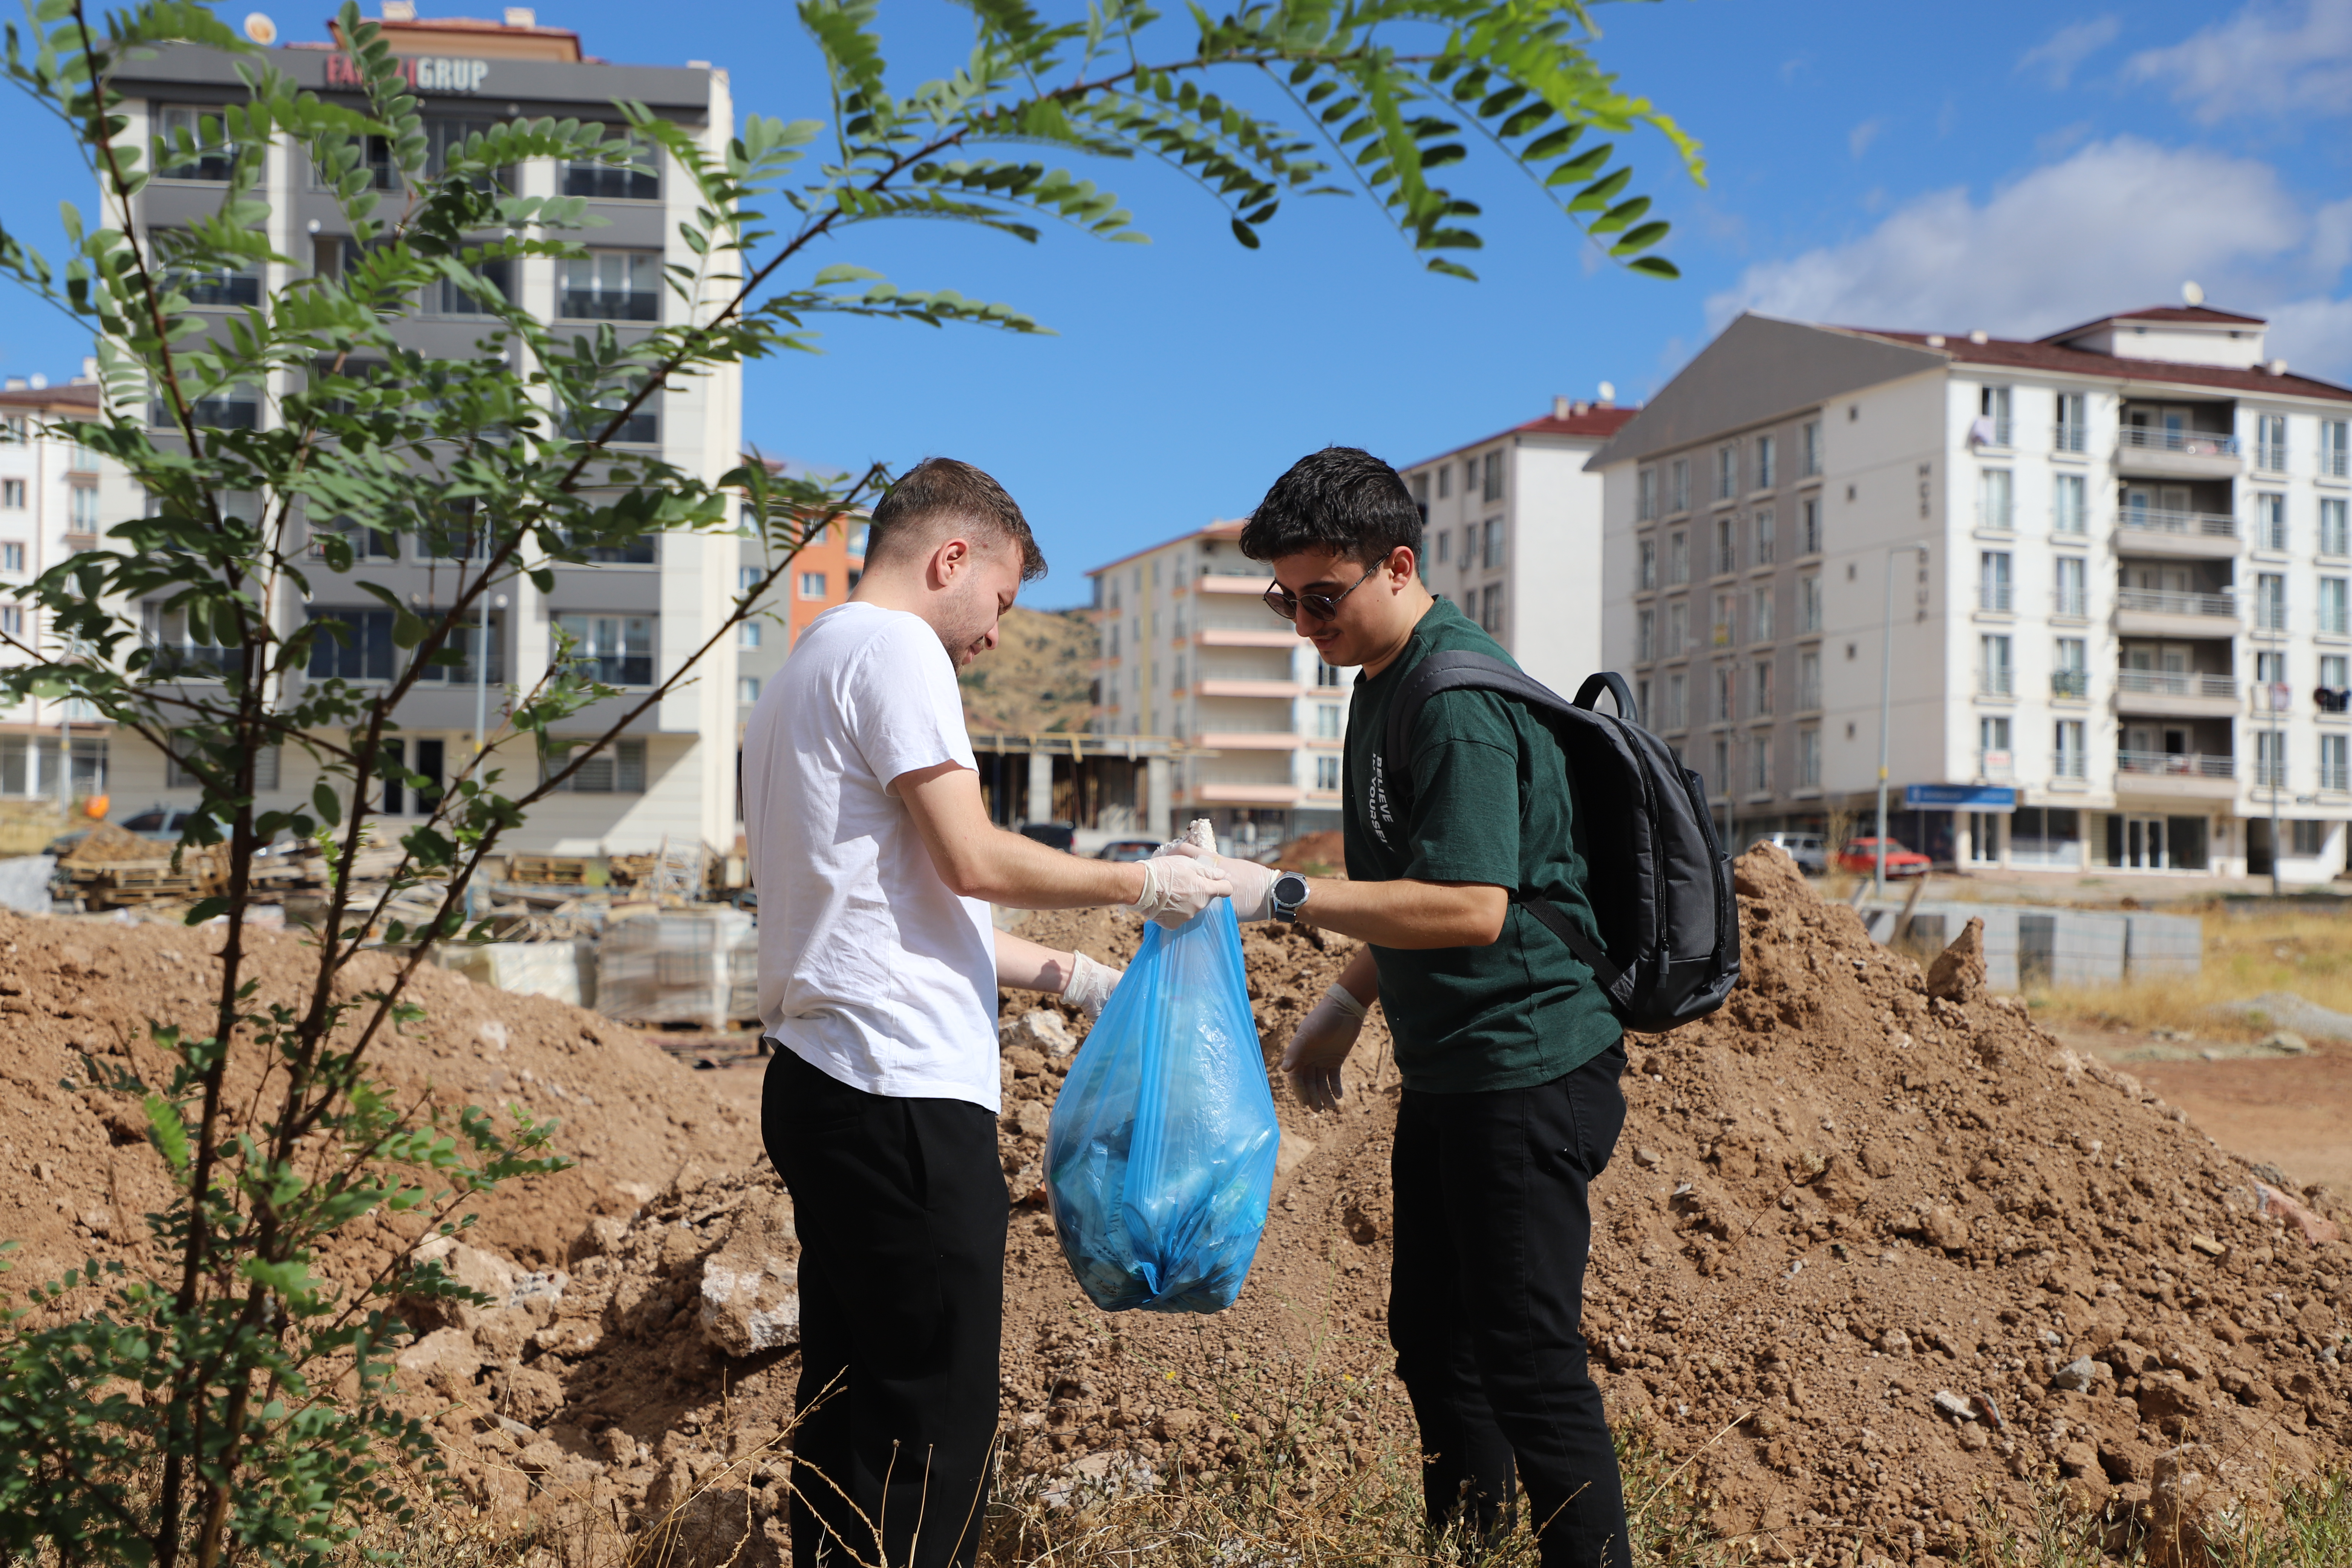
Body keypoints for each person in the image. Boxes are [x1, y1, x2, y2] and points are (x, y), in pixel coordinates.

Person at [740, 457, 1233, 1568]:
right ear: (950, 559)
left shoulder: (807, 666)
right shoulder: (898, 649)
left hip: (821, 1079)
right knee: (934, 1423)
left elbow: (891, 909)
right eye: (1000, 601)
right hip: (899, 1092)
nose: (996, 636)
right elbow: (971, 859)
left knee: (850, 1409)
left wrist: (1077, 978)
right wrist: (1142, 882)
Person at [1184, 446, 1631, 1568]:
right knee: (1435, 1340)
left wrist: (1278, 894)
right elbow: (1414, 876)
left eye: (1322, 598)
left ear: (1397, 565)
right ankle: (1467, 1552)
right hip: (1455, 1073)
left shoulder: (1454, 700)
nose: (1304, 624)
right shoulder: (1383, 678)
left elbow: (1473, 906)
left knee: (1527, 1363)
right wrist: (1349, 996)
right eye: (1286, 600)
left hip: (1526, 1069)